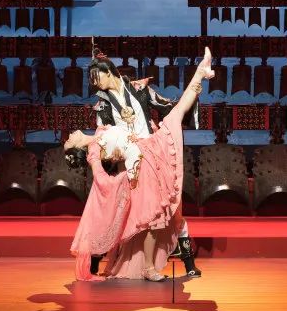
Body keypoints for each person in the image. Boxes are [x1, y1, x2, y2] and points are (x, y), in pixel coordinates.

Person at [65, 48, 214, 281]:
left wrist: (190, 99)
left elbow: (167, 107)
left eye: (96, 76)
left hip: (153, 152)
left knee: (172, 210)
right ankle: (99, 262)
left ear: (108, 71)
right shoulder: (102, 107)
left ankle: (188, 264)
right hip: (129, 162)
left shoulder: (140, 89)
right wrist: (112, 156)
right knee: (125, 216)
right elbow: (103, 141)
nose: (94, 83)